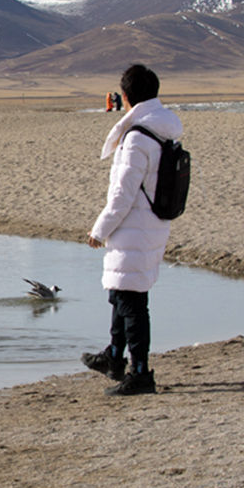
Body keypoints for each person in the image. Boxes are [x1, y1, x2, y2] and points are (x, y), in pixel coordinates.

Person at [82, 63, 183, 396]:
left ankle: (140, 372)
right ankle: (114, 357)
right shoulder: (159, 129)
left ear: (125, 97)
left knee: (132, 300)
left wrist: (99, 230)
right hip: (149, 223)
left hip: (135, 224)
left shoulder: (138, 136)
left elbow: (122, 194)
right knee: (121, 292)